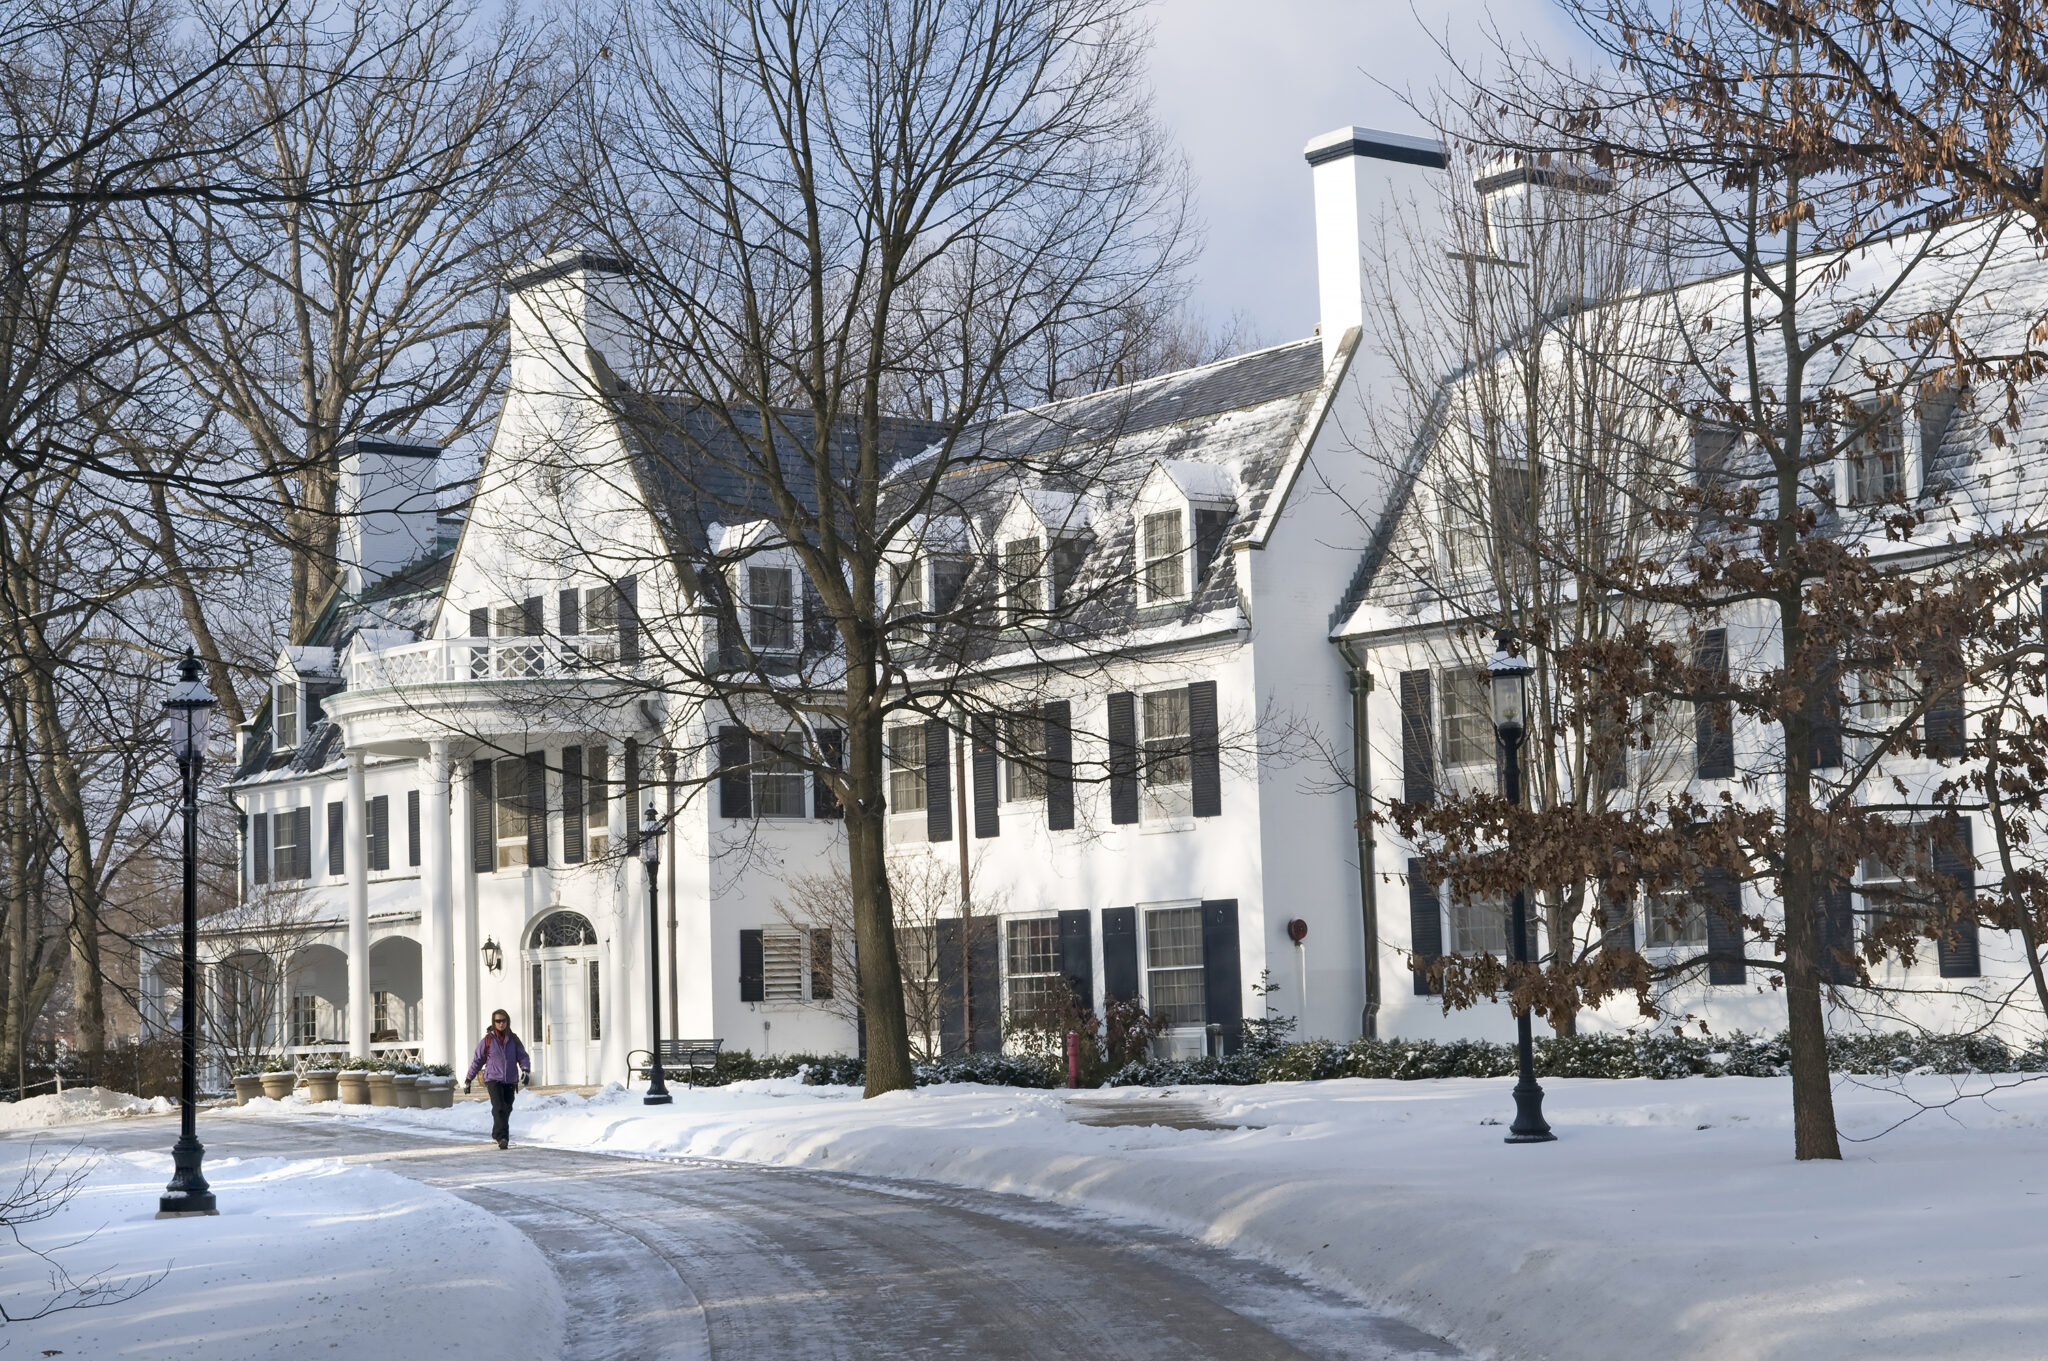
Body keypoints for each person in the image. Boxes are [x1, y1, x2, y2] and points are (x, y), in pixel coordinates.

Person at [464, 1009, 531, 1149]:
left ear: (508, 1021)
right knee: (499, 1106)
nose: (501, 1024)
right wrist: (469, 1079)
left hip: (510, 1079)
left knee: (507, 1108)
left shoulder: (514, 1039)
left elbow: (523, 1056)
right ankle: (503, 1138)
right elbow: (477, 1060)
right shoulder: (487, 1041)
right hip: (493, 1078)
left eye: (503, 1021)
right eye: (498, 1021)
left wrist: (525, 1070)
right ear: (493, 1023)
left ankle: (496, 1134)